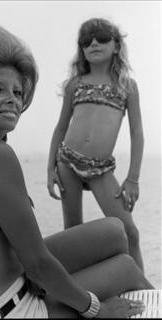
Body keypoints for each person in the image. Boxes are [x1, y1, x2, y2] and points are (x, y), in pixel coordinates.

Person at [0, 21, 152, 319]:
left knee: (117, 230)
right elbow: (37, 265)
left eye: (18, 92)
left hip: (3, 287)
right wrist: (97, 309)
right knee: (125, 269)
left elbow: (28, 259)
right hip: (9, 309)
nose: (12, 99)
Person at [47, 18, 144, 271]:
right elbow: (60, 128)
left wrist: (132, 178)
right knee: (74, 234)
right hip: (67, 161)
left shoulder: (127, 86)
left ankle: (142, 290)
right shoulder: (75, 85)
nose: (93, 43)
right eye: (86, 41)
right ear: (82, 50)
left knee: (129, 231)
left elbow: (137, 133)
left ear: (116, 45)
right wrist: (50, 169)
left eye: (101, 37)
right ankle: (78, 291)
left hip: (101, 168)